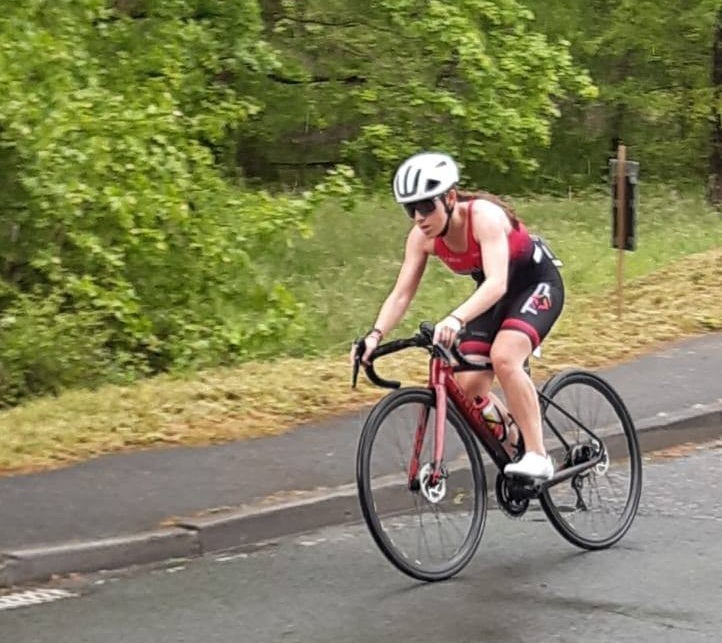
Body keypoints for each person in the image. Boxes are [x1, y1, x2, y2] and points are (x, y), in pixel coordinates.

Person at [354, 151, 564, 480]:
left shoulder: (484, 217)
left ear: (450, 198)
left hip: (534, 284)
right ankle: (517, 442)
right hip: (493, 294)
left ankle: (538, 455)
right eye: (410, 209)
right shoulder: (421, 239)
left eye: (426, 206)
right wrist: (374, 335)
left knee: (504, 357)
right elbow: (401, 294)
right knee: (468, 385)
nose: (419, 217)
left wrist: (455, 318)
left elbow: (497, 282)